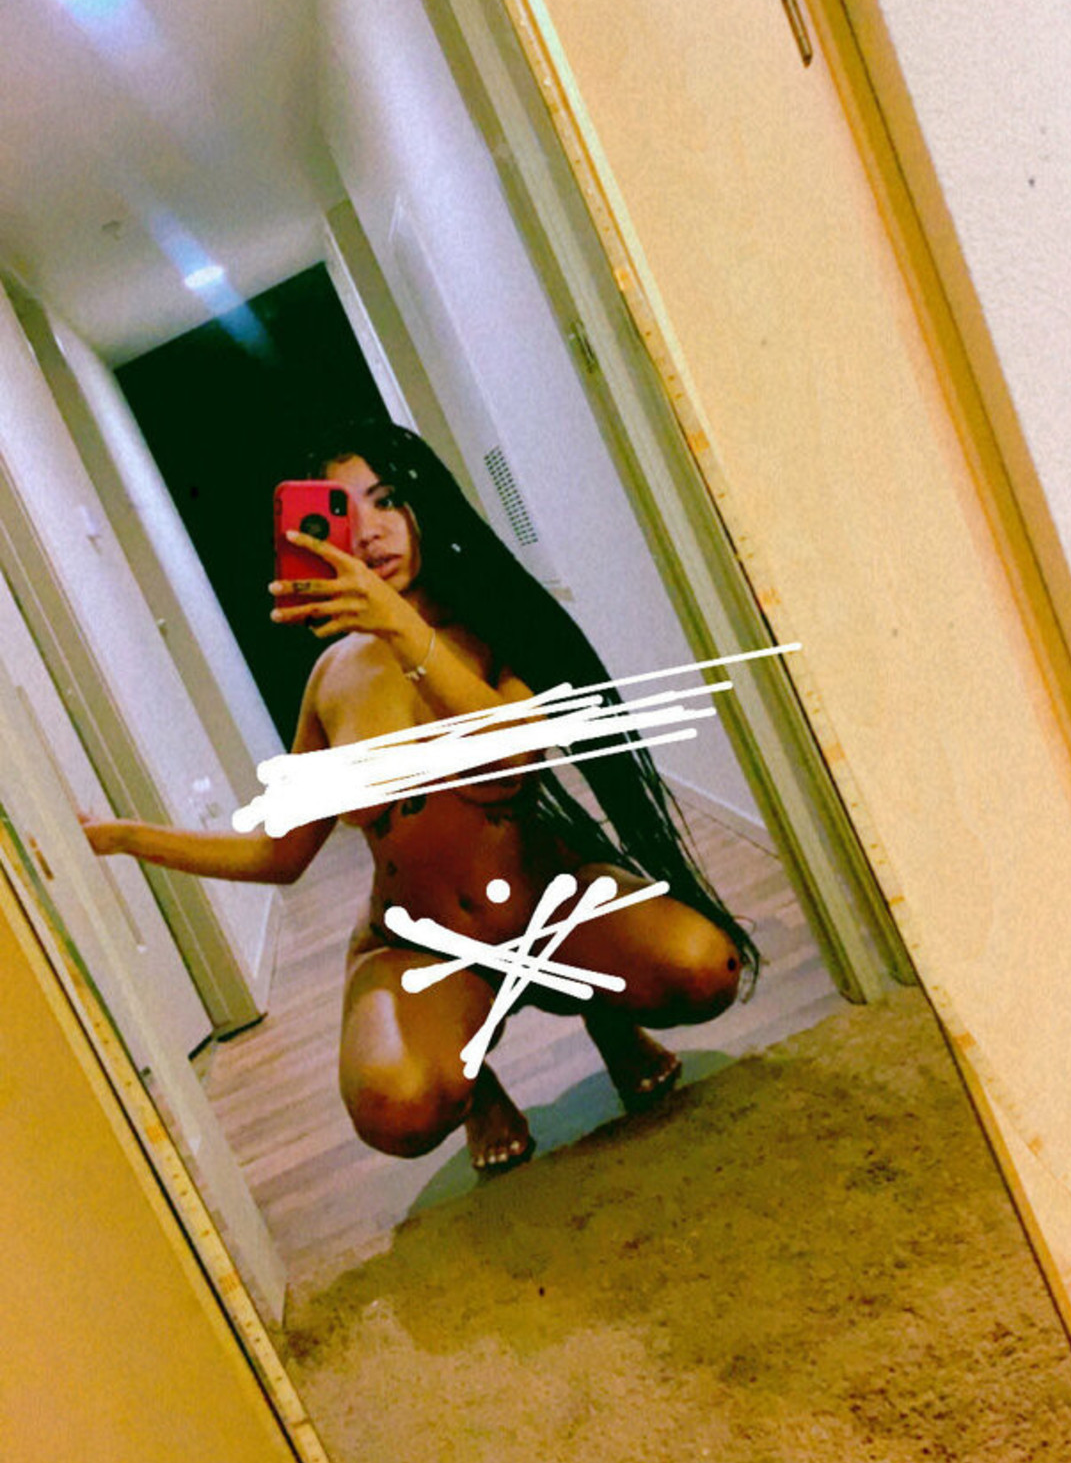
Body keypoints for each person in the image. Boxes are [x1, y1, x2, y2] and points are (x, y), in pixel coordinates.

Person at [83, 422, 759, 1174]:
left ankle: (608, 1017)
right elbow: (281, 854)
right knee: (395, 1107)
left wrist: (402, 627)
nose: (370, 531)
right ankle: (477, 1087)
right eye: (343, 513)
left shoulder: (503, 628)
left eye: (387, 500)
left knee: (704, 970)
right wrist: (127, 838)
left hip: (550, 908)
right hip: (421, 943)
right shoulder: (330, 679)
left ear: (424, 507)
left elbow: (504, 764)